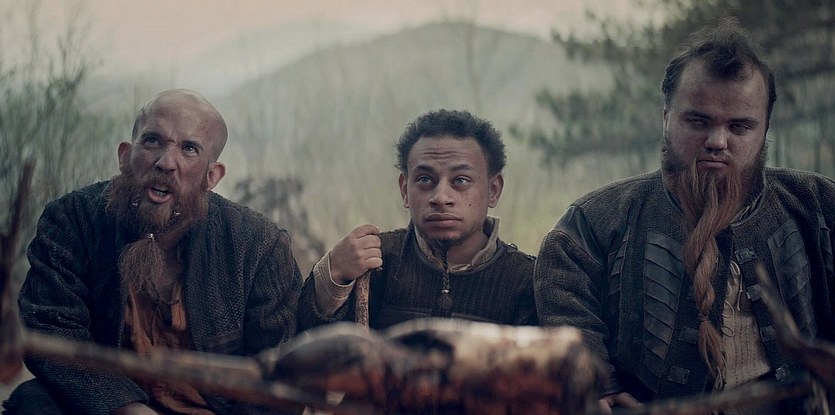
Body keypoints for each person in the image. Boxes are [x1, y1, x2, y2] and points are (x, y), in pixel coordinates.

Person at [534, 19, 835, 414]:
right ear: (666, 118)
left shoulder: (817, 206)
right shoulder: (598, 220)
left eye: (739, 126)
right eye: (698, 121)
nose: (717, 141)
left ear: (765, 130)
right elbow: (563, 288)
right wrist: (598, 382)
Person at [3, 89, 302, 415]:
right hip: (109, 410)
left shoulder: (258, 246)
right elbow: (50, 328)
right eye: (152, 141)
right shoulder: (73, 220)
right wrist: (127, 408)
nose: (166, 162)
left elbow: (281, 379)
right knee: (32, 401)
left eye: (189, 149)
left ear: (211, 176)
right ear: (124, 155)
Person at [297, 109, 537, 332]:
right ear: (404, 190)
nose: (441, 197)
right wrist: (333, 275)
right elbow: (304, 343)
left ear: (493, 190)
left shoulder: (526, 280)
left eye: (460, 180)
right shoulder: (375, 262)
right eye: (425, 179)